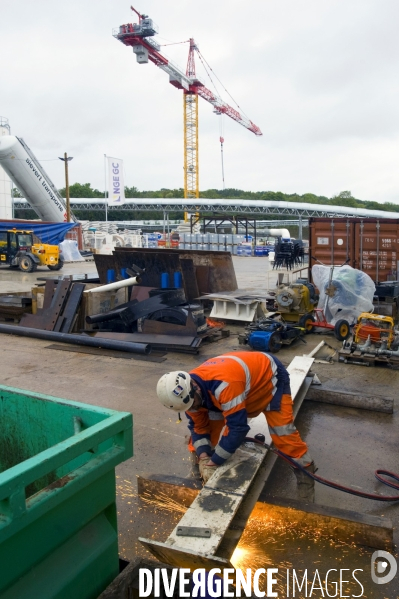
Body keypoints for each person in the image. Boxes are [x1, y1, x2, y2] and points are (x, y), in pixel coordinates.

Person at [156, 351, 316, 500]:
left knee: (283, 433)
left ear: (194, 389)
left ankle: (305, 474)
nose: (193, 410)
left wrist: (215, 461)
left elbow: (237, 428)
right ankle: (198, 473)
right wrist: (204, 457)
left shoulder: (224, 386)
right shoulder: (188, 396)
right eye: (188, 408)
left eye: (194, 405)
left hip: (269, 379)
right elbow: (199, 427)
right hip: (236, 386)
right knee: (207, 432)